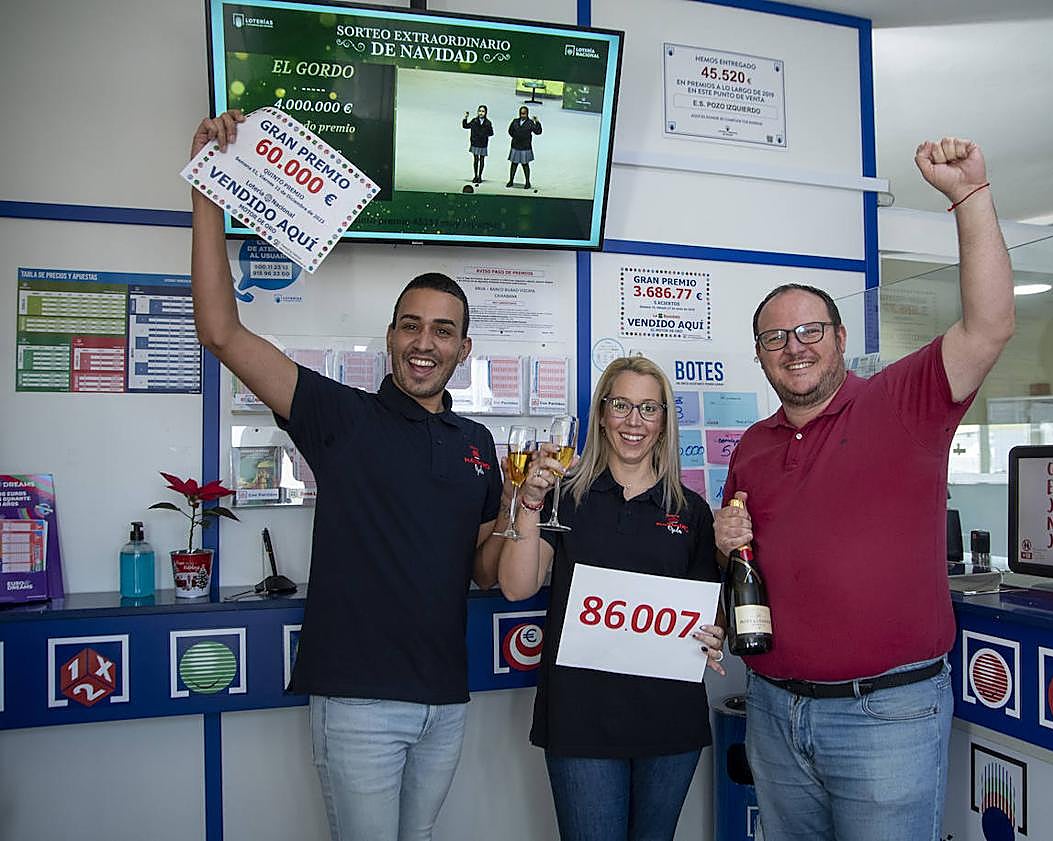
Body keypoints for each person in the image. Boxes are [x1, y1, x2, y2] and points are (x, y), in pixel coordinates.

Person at [188, 110, 506, 841]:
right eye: (411, 325)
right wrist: (207, 188)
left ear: (463, 348)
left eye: (443, 330)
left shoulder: (478, 443)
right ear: (391, 336)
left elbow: (486, 568)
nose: (424, 343)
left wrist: (526, 506)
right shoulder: (340, 415)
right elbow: (221, 331)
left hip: (445, 702)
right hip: (357, 702)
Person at [713, 137, 1014, 841]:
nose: (795, 346)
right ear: (759, 354)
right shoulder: (752, 447)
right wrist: (725, 543)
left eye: (809, 329)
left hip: (887, 716)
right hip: (773, 709)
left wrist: (970, 197)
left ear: (840, 336)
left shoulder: (902, 401)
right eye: (775, 336)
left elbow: (990, 324)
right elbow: (744, 565)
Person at [498, 356, 726, 841]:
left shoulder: (691, 512)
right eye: (621, 405)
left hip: (669, 722)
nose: (634, 421)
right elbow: (517, 586)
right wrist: (529, 504)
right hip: (581, 719)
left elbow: (707, 610)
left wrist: (713, 635)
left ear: (665, 421)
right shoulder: (565, 496)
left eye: (649, 408)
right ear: (602, 414)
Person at [506, 105, 541, 189]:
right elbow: (510, 131)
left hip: (525, 147)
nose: (522, 115)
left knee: (525, 165)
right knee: (514, 165)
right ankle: (511, 180)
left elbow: (538, 131)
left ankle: (527, 182)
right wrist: (515, 136)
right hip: (516, 145)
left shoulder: (530, 123)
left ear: (527, 114)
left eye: (524, 113)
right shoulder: (515, 121)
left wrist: (537, 122)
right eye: (521, 113)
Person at [462, 105, 493, 184]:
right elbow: (465, 126)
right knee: (476, 160)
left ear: (485, 113)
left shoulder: (488, 123)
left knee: (482, 160)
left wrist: (484, 134)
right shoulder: (474, 121)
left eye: (483, 111)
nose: (481, 113)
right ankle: (475, 175)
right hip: (475, 143)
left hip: (483, 143)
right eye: (480, 111)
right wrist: (465, 118)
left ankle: (480, 176)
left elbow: (491, 133)